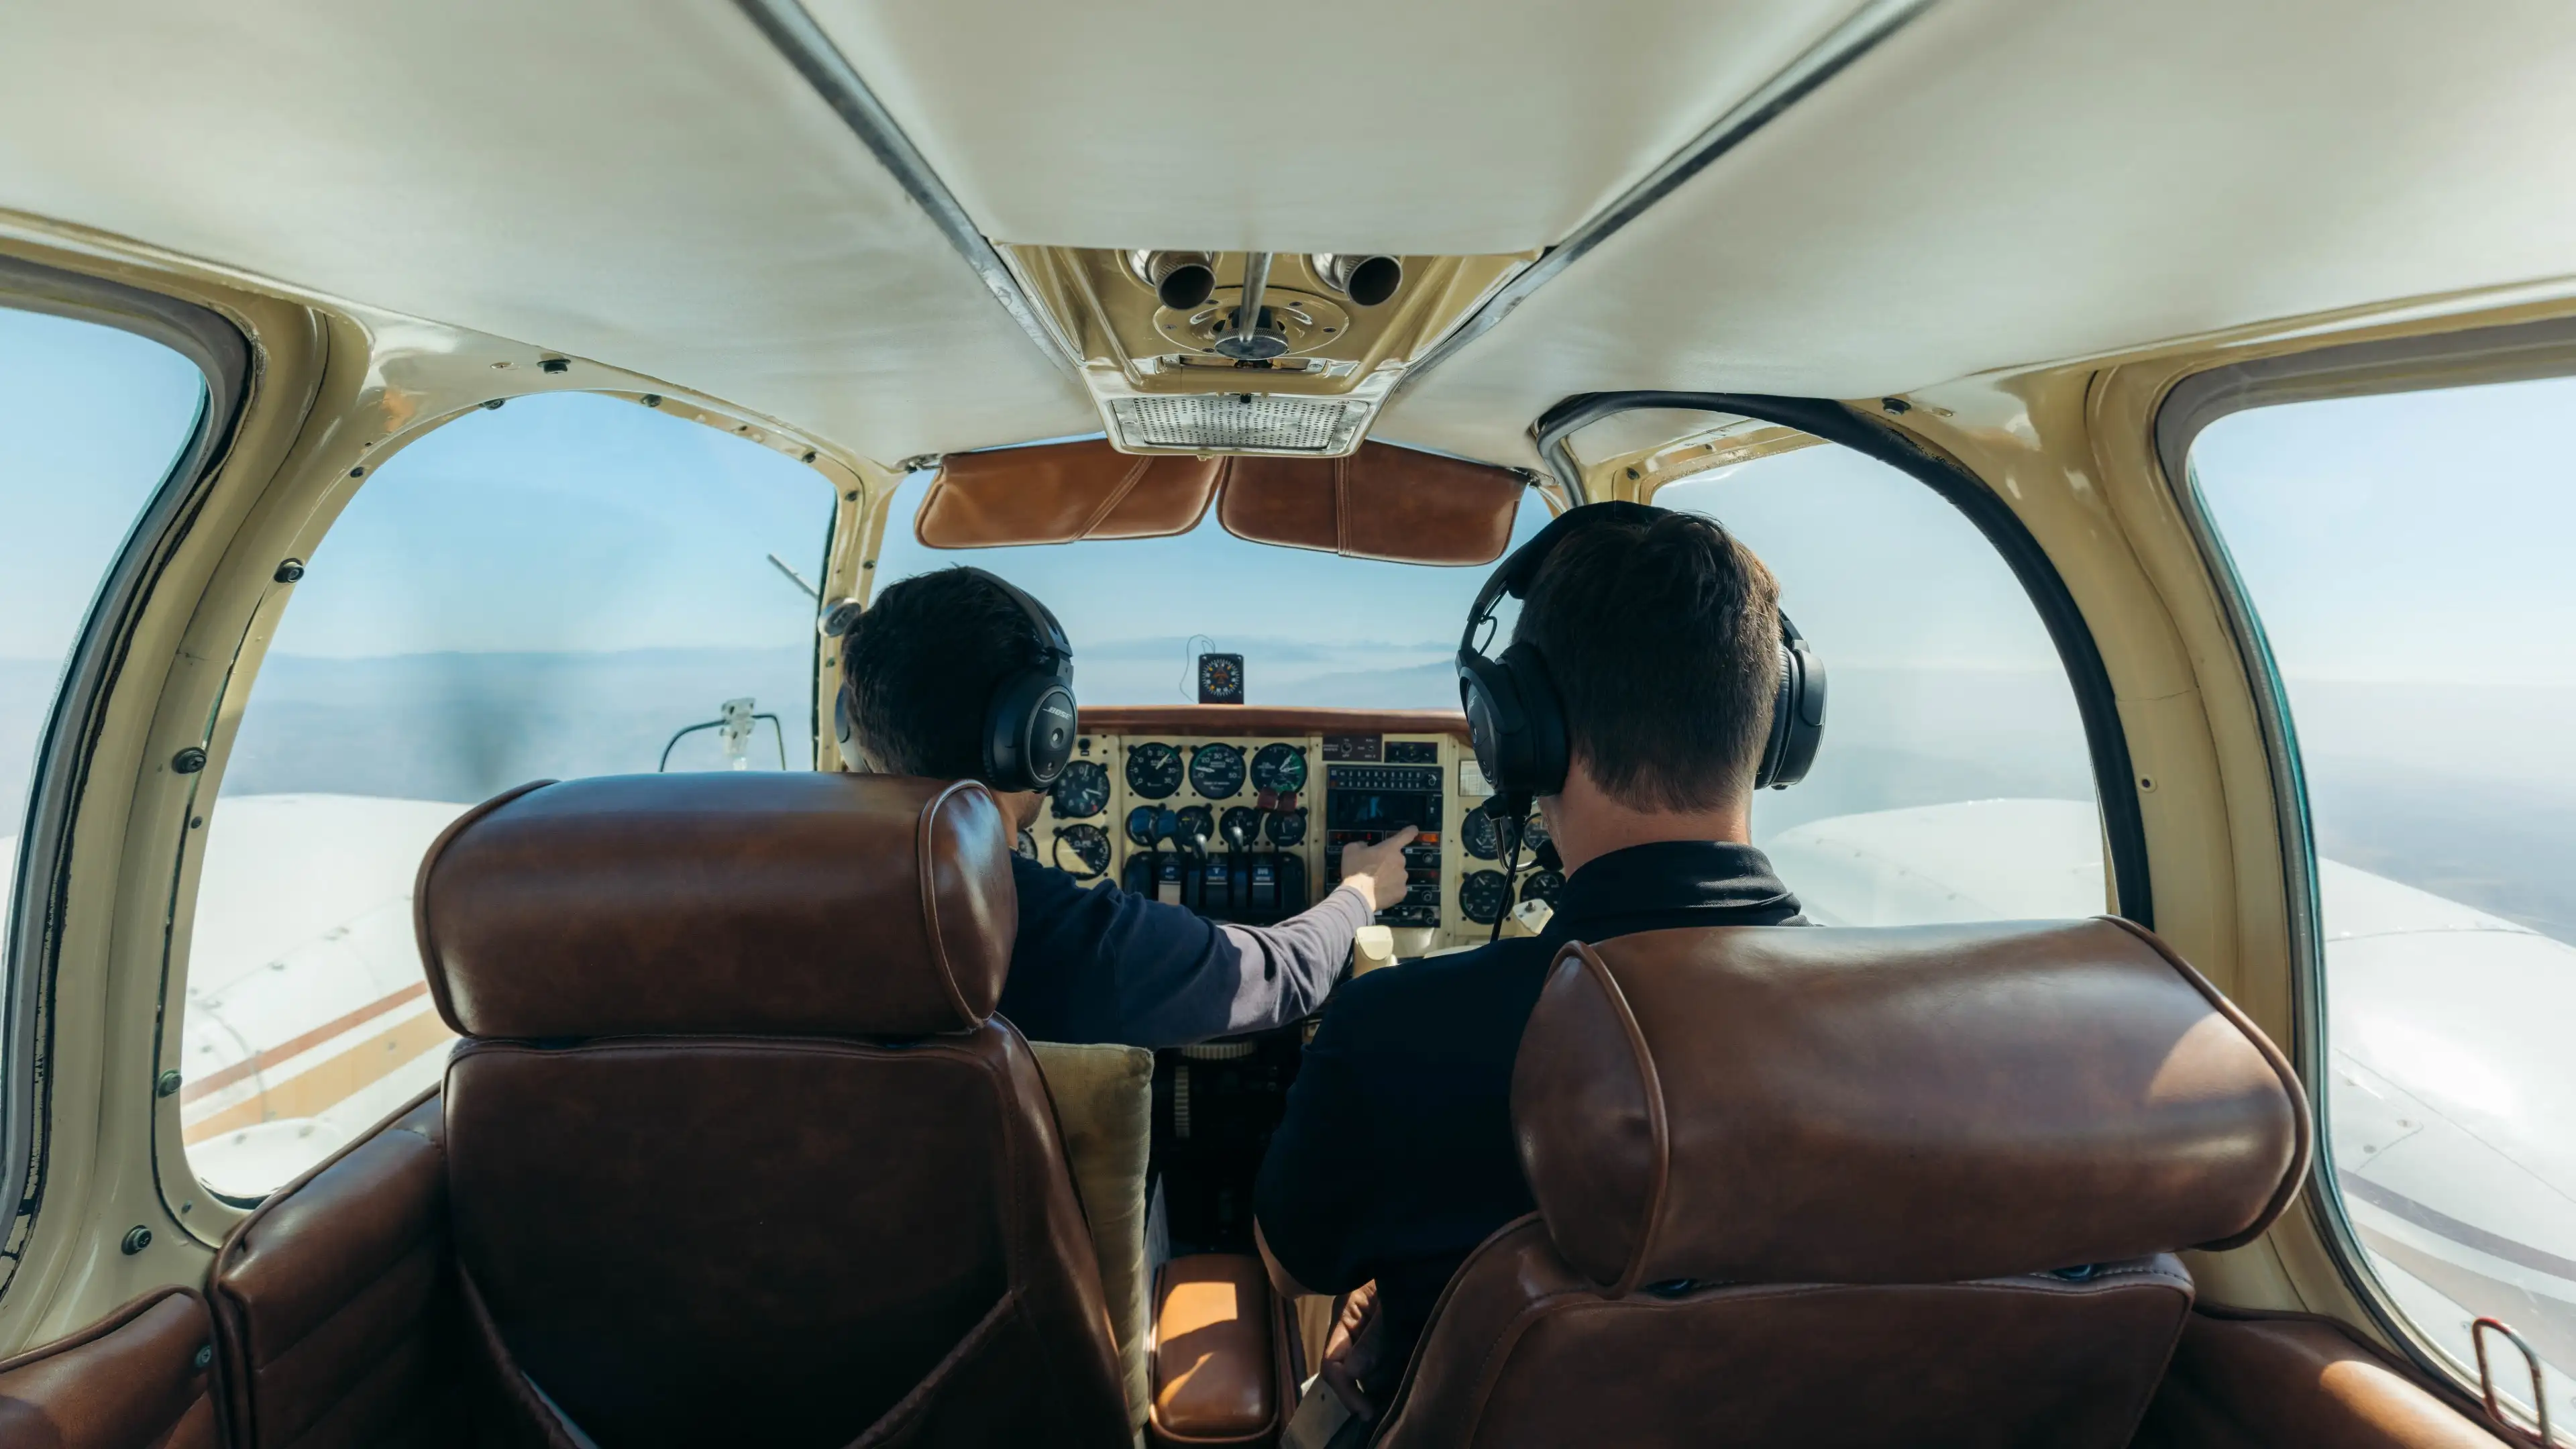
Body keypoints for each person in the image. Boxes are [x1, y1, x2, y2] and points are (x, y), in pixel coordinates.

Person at [1253, 506, 1809, 1406]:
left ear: (1520, 735)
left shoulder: (1395, 1032)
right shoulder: (1925, 1048)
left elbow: (1290, 1265)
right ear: (1782, 725)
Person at [837, 566, 1417, 1049]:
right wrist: (1360, 892)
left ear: (856, 733)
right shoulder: (1059, 936)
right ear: (1042, 735)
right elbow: (1285, 973)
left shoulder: (789, 894)